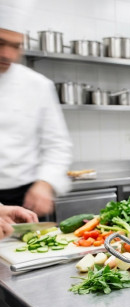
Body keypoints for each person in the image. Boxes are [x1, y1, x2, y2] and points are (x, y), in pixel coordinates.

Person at [0, 0, 73, 217]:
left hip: (26, 199)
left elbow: (58, 144)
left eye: (16, 46)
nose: (7, 54)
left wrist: (45, 183)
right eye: (1, 43)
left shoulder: (38, 85)